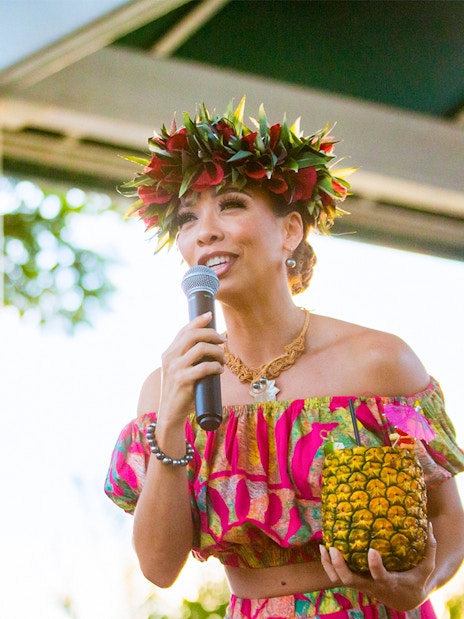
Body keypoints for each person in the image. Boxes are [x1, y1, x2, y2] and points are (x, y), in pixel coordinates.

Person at [105, 98, 464, 618]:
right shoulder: (167, 388)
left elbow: (448, 520)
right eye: (188, 217)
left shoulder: (380, 362)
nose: (205, 230)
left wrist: (423, 585)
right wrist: (170, 425)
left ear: (290, 232)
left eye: (230, 204)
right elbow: (160, 568)